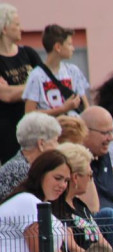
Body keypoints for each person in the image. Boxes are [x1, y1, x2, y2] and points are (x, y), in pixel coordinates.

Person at [0, 149, 78, 252]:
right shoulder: (28, 201)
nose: (63, 185)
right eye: (57, 178)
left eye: (66, 180)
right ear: (41, 174)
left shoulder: (39, 204)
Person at [81, 107, 113, 252]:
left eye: (112, 131)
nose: (111, 138)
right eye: (105, 133)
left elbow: (111, 198)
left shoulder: (104, 154)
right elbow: (88, 208)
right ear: (85, 131)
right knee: (108, 215)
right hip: (86, 226)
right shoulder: (74, 159)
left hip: (108, 226)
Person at [0, 4, 43, 163]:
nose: (21, 28)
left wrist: (16, 90)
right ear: (4, 28)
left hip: (34, 126)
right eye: (16, 24)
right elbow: (6, 96)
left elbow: (45, 84)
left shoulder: (29, 53)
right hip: (9, 131)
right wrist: (33, 86)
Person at [52, 142, 109, 252]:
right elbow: (72, 251)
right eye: (90, 175)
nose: (90, 180)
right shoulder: (57, 210)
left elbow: (103, 243)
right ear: (76, 178)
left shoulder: (80, 205)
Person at [22, 25, 89, 117]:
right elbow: (29, 113)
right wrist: (62, 109)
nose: (73, 48)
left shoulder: (73, 71)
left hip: (73, 128)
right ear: (58, 47)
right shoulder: (36, 75)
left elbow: (85, 107)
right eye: (69, 44)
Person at [0, 112, 59, 198]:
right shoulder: (21, 170)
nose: (58, 146)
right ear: (41, 144)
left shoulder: (21, 163)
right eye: (55, 141)